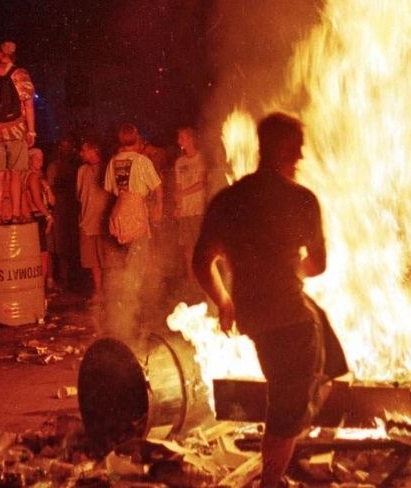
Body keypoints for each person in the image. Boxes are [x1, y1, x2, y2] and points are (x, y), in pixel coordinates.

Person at [192, 113, 349, 488]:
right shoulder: (301, 200)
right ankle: (272, 479)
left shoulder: (229, 201)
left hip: (254, 316)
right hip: (289, 323)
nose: (301, 157)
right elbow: (318, 265)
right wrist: (293, 266)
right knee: (285, 408)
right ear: (280, 148)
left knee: (324, 349)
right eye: (296, 149)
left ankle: (301, 409)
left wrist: (225, 303)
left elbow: (202, 262)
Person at [103, 123, 164, 341]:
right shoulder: (142, 161)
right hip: (136, 211)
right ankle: (133, 313)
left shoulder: (114, 161)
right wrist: (158, 207)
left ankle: (123, 311)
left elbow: (110, 188)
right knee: (138, 262)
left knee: (125, 261)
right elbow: (157, 186)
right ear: (135, 137)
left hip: (119, 211)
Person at [0, 41, 36, 223]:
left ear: (1, 53)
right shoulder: (20, 73)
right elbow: (28, 104)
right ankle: (16, 213)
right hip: (16, 129)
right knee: (15, 173)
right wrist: (31, 131)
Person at [172, 127, 207, 299]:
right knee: (187, 248)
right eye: (179, 137)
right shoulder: (179, 162)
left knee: (201, 246)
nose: (179, 140)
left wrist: (183, 194)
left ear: (191, 139)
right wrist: (178, 206)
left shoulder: (201, 159)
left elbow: (202, 183)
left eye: (182, 137)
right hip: (185, 211)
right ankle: (191, 281)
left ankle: (204, 281)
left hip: (198, 209)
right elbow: (178, 186)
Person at [77, 139, 113, 302]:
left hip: (103, 220)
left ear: (93, 150)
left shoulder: (107, 167)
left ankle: (110, 291)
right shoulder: (82, 170)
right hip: (87, 220)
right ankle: (98, 292)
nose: (81, 153)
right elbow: (79, 194)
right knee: (92, 260)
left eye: (84, 150)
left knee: (107, 259)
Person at [45, 137, 80, 291]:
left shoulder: (75, 166)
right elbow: (50, 188)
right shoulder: (54, 166)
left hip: (71, 210)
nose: (66, 150)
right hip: (59, 210)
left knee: (69, 246)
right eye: (63, 146)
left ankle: (70, 280)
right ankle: (61, 279)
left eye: (68, 147)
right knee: (58, 246)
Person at [23, 147, 56, 291]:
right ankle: (39, 287)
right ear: (30, 160)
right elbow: (36, 200)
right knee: (42, 253)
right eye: (37, 158)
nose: (40, 162)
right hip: (37, 215)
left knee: (44, 252)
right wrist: (48, 216)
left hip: (37, 216)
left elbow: (52, 201)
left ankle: (42, 284)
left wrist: (47, 188)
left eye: (42, 159)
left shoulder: (36, 177)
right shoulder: (32, 177)